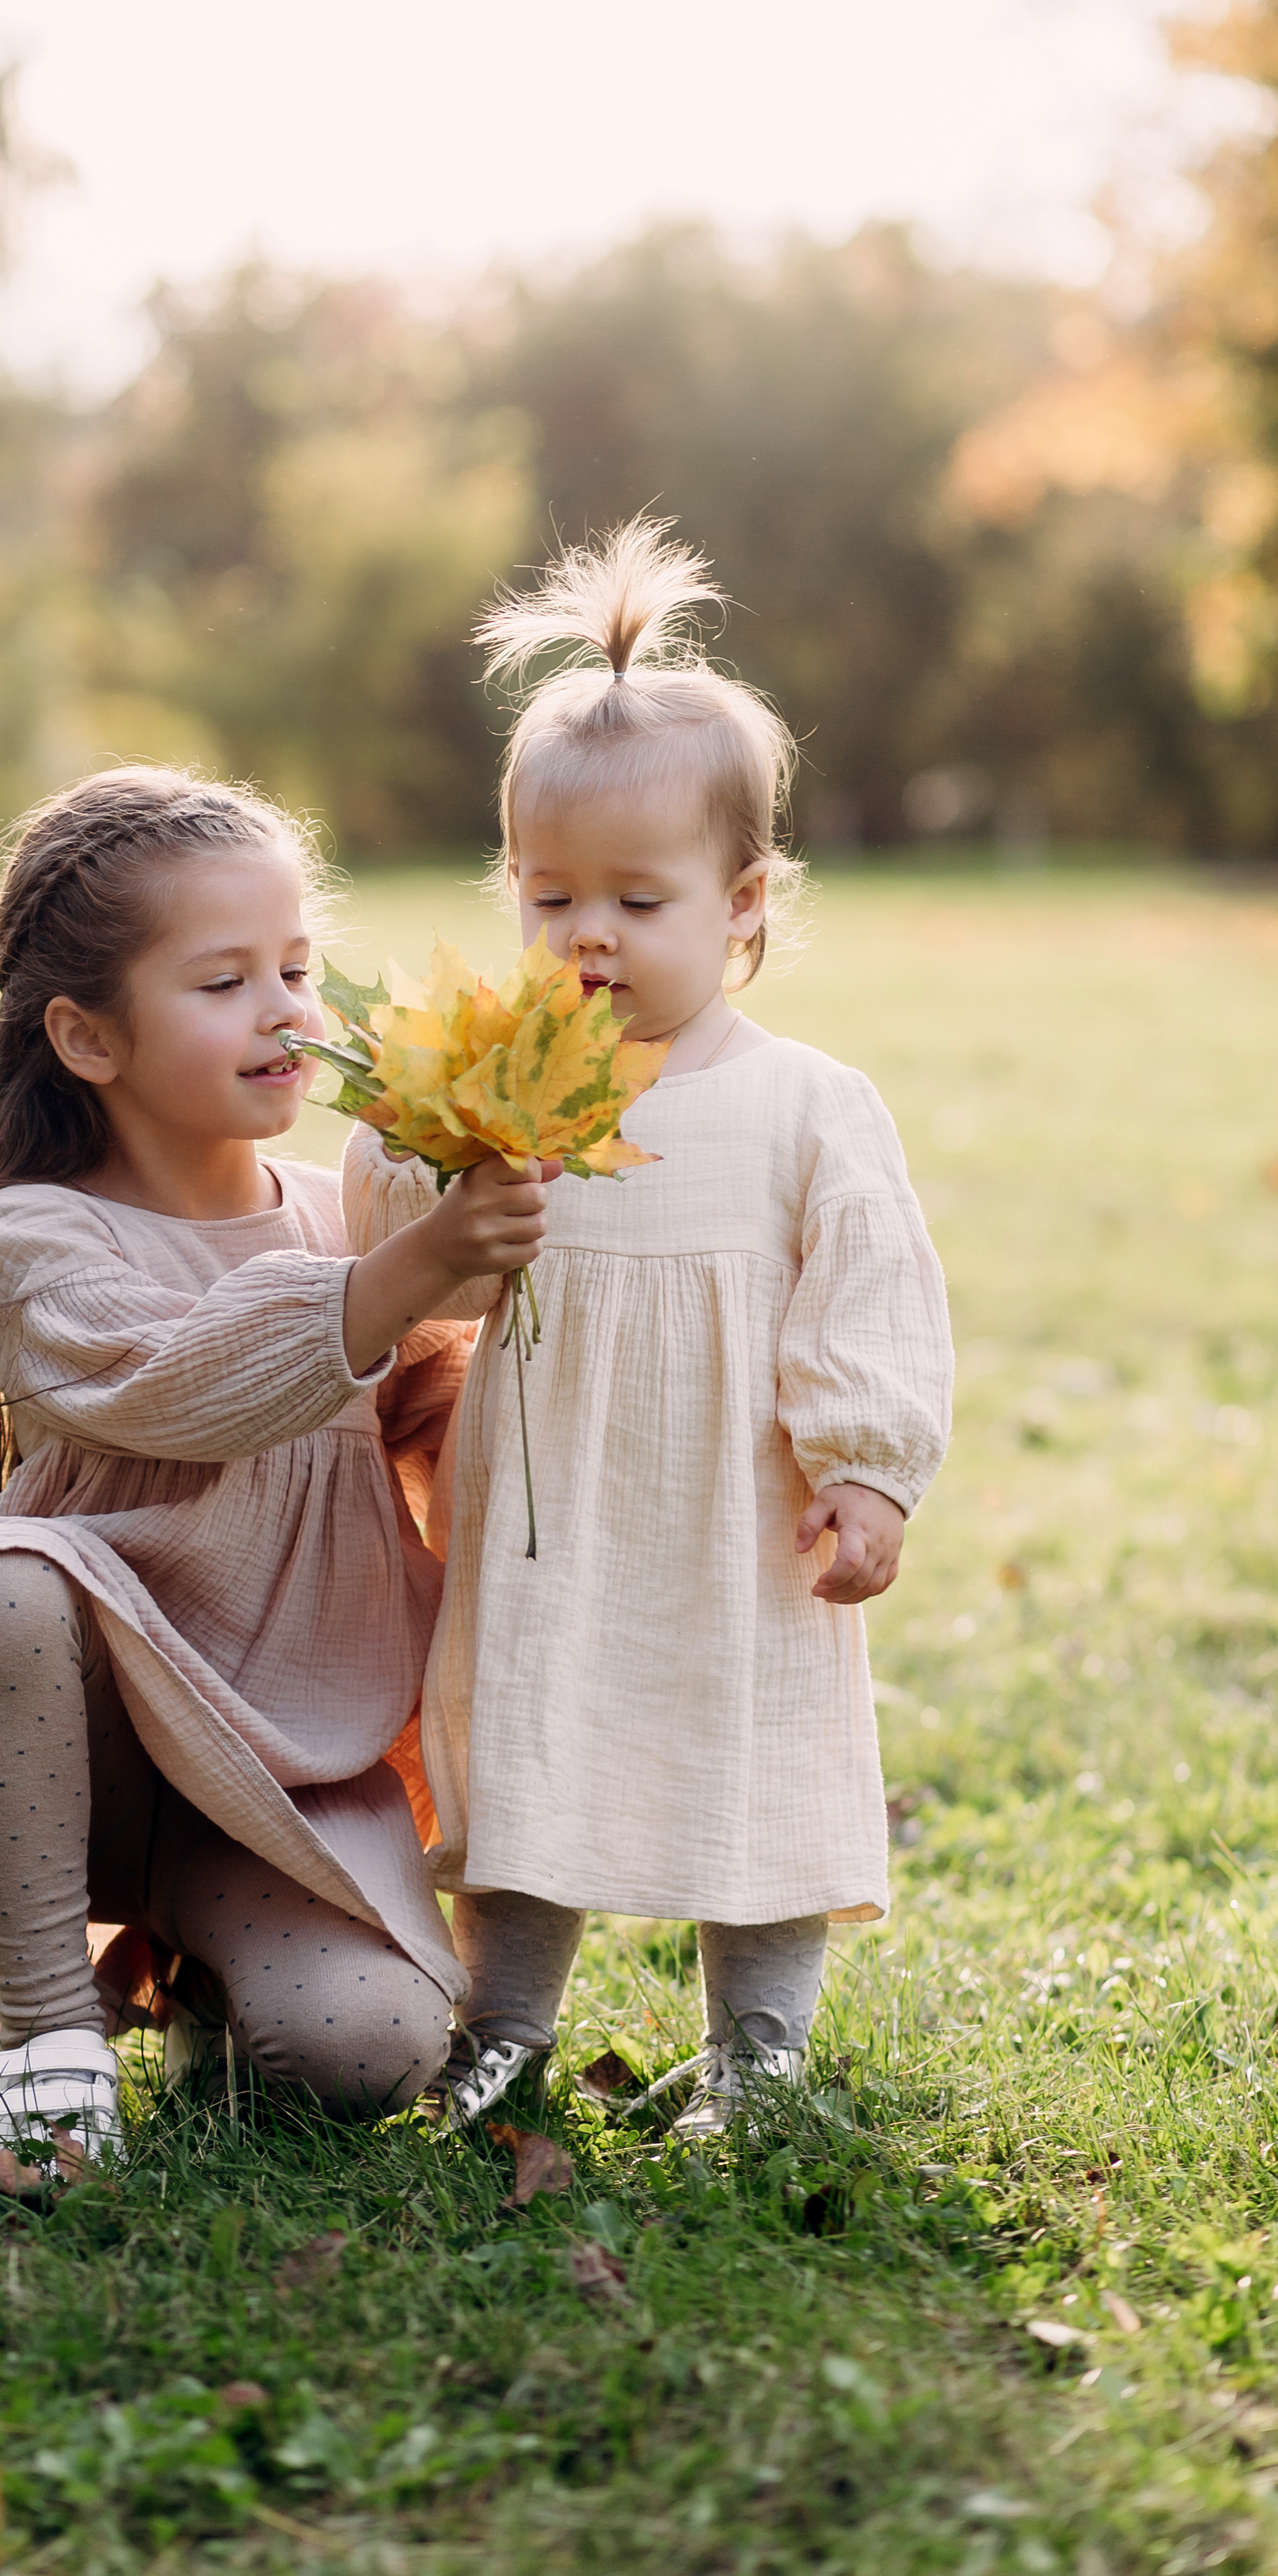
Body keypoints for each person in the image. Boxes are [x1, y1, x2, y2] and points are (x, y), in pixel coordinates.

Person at [344, 521, 954, 2138]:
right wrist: (419, 1140)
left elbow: (869, 1288)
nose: (588, 934)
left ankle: (756, 2046)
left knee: (745, 1748)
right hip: (547, 1511)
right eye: (550, 898)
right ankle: (502, 2028)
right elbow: (410, 1255)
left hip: (737, 1514)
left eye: (636, 896)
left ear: (742, 900)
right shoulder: (505, 1086)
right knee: (529, 1744)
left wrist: (867, 1470)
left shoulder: (802, 1102)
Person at [0, 766, 550, 2165]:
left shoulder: (344, 1219)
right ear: (88, 1037)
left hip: (282, 1772)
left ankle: (203, 1967)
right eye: (224, 980)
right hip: (86, 1754)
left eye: (296, 966)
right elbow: (190, 1383)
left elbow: (442, 1424)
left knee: (366, 2057)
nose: (287, 1010)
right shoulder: (39, 1241)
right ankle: (53, 2036)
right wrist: (401, 1273)